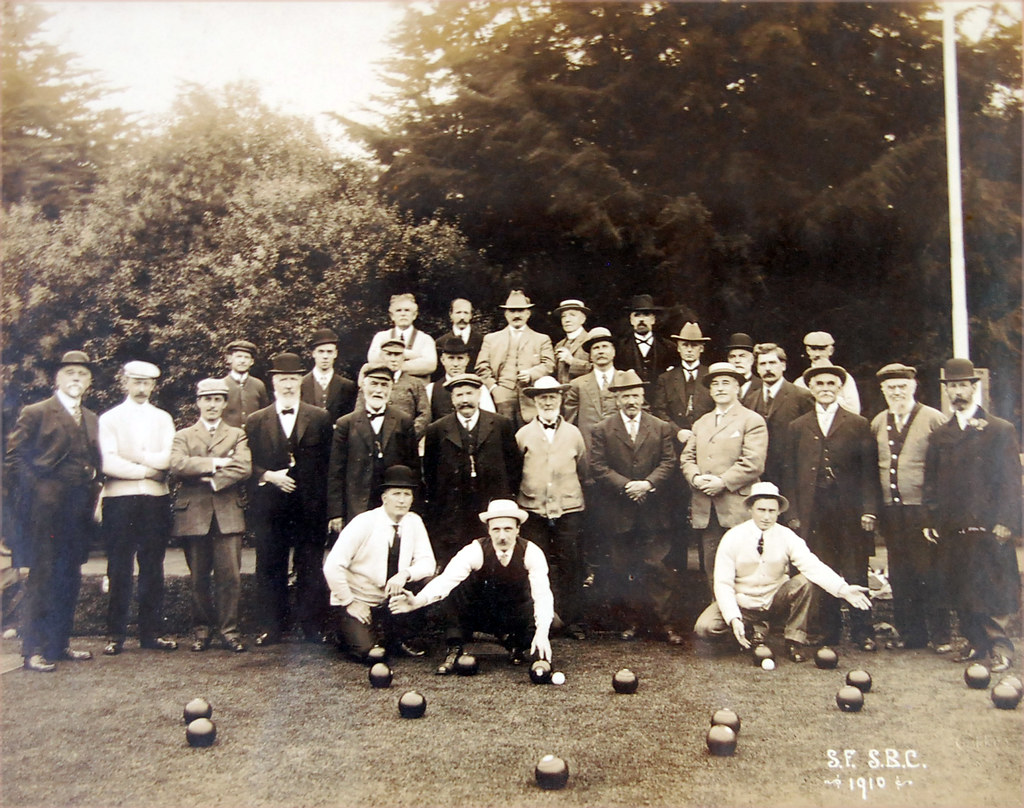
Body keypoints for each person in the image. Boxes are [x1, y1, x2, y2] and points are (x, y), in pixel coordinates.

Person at [694, 482, 872, 662]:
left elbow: (812, 565)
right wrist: (734, 618)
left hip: (775, 603)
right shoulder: (733, 537)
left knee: (805, 581)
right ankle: (747, 632)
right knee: (705, 628)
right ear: (750, 509)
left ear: (779, 512)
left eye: (772, 511)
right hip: (743, 604)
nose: (766, 516)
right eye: (761, 510)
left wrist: (843, 589)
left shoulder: (787, 536)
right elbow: (723, 583)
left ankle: (794, 641)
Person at [5, 351, 101, 672]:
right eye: (70, 373)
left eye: (82, 374)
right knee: (42, 578)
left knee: (69, 577)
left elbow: (92, 462)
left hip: (77, 512)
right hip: (44, 513)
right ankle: (32, 651)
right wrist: (39, 492)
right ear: (57, 378)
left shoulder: (91, 417)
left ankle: (59, 645)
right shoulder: (36, 412)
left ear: (89, 382)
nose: (76, 379)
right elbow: (14, 459)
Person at [924, 358, 1021, 673]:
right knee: (961, 587)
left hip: (990, 527)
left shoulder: (999, 429)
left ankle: (1000, 649)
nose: (957, 392)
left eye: (963, 385)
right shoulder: (941, 434)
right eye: (952, 386)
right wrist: (931, 519)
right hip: (954, 528)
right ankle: (975, 642)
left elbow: (1011, 482)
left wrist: (1007, 521)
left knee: (992, 589)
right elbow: (932, 482)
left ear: (974, 387)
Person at [389, 499, 554, 672]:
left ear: (518, 530)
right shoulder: (475, 550)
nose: (502, 536)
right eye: (496, 529)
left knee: (551, 623)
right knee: (453, 591)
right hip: (477, 611)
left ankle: (515, 645)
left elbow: (542, 594)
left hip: (512, 612)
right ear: (488, 530)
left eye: (508, 529)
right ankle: (455, 647)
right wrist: (416, 601)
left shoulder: (532, 552)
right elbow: (446, 580)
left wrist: (542, 633)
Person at [784, 365, 878, 650]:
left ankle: (864, 631)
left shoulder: (858, 423)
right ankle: (829, 631)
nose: (825, 388)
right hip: (814, 510)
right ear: (811, 389)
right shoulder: (798, 426)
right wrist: (793, 514)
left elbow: (869, 472)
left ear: (839, 388)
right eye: (819, 383)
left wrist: (869, 510)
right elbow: (789, 473)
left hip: (848, 510)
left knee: (855, 568)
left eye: (831, 383)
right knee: (822, 567)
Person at [589, 369, 685, 644]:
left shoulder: (660, 427)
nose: (631, 400)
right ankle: (630, 623)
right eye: (625, 395)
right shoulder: (602, 429)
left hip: (653, 511)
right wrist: (626, 485)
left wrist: (647, 484)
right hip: (619, 511)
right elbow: (598, 466)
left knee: (657, 568)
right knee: (623, 568)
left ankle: (666, 625)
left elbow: (669, 462)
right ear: (617, 399)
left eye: (635, 395)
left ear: (643, 397)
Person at [245, 353, 334, 645]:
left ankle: (312, 627)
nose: (287, 384)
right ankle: (272, 626)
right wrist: (269, 476)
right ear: (273, 382)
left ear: (300, 381)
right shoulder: (256, 420)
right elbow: (248, 464)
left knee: (310, 566)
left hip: (309, 508)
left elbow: (328, 465)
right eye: (282, 379)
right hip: (270, 507)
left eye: (293, 378)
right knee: (270, 565)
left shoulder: (319, 417)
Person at [98, 360, 178, 656]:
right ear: (126, 382)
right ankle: (115, 634)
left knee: (153, 567)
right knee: (119, 566)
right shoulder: (109, 419)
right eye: (137, 382)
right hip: (120, 500)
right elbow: (108, 462)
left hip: (155, 500)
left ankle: (150, 633)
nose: (142, 388)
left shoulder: (163, 418)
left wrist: (134, 459)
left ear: (154, 385)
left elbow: (169, 458)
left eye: (147, 383)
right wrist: (146, 467)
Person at [868, 363, 949, 652]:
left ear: (913, 387)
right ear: (883, 391)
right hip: (893, 511)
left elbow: (945, 467)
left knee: (930, 571)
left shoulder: (933, 418)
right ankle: (910, 635)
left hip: (923, 511)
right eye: (891, 388)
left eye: (902, 386)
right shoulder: (878, 421)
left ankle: (940, 635)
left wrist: (935, 511)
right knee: (900, 573)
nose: (897, 392)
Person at [170, 378, 252, 653]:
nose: (212, 405)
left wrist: (213, 479)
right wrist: (217, 462)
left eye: (218, 399)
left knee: (230, 578)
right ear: (198, 403)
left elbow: (243, 467)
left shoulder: (237, 434)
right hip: (194, 514)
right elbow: (178, 465)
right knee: (198, 578)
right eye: (207, 399)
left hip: (228, 512)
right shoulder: (183, 435)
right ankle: (201, 631)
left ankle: (230, 631)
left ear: (225, 403)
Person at [323, 465, 435, 662]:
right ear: (384, 497)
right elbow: (332, 566)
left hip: (390, 600)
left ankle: (401, 636)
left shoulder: (414, 521)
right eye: (396, 494)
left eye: (407, 494)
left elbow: (428, 563)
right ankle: (345, 632)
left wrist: (405, 574)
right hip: (359, 599)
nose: (402, 500)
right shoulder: (363, 523)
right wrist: (350, 602)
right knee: (370, 653)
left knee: (428, 581)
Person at [681, 362, 767, 591]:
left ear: (737, 387)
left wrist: (723, 482)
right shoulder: (702, 422)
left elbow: (753, 462)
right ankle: (719, 617)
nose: (720, 388)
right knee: (713, 567)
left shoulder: (752, 420)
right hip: (706, 508)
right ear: (709, 391)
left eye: (726, 383)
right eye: (715, 384)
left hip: (737, 507)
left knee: (745, 566)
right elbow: (686, 458)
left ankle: (750, 620)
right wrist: (695, 478)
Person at [515, 376, 588, 640]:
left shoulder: (574, 433)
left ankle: (572, 621)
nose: (548, 402)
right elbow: (515, 471)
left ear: (560, 400)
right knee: (537, 565)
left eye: (553, 397)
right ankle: (541, 619)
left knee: (571, 565)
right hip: (533, 511)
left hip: (568, 509)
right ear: (535, 401)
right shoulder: (523, 434)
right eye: (543, 397)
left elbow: (584, 468)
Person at [422, 373, 522, 565]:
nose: (465, 400)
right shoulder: (437, 429)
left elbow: (514, 467)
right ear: (452, 399)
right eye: (459, 395)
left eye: (469, 393)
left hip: (490, 506)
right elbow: (430, 473)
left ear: (479, 395)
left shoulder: (501, 425)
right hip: (454, 511)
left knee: (491, 558)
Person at [328, 365, 418, 533]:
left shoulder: (403, 421)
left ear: (391, 389)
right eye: (374, 384)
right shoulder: (346, 424)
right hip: (356, 503)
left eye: (384, 385)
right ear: (363, 386)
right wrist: (335, 513)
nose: (378, 390)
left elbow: (413, 467)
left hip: (392, 504)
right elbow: (336, 471)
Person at [475, 290, 555, 430]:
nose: (517, 315)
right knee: (503, 439)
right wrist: (494, 388)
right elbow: (481, 367)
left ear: (528, 313)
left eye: (521, 311)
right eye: (512, 311)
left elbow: (549, 365)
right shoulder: (491, 339)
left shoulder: (542, 339)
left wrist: (532, 374)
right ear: (506, 314)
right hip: (501, 399)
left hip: (531, 399)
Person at [751, 343, 814, 485]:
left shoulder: (802, 396)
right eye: (763, 364)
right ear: (757, 368)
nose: (768, 368)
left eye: (772, 363)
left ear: (783, 366)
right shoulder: (750, 399)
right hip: (759, 473)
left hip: (792, 472)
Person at [563, 328, 629, 451]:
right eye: (596, 348)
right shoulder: (577, 384)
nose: (601, 351)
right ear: (590, 356)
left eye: (605, 346)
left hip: (622, 448)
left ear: (614, 352)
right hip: (589, 448)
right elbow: (569, 422)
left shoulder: (626, 379)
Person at [651, 322, 714, 439]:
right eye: (685, 345)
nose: (689, 350)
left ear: (701, 348)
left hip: (707, 437)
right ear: (678, 348)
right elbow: (659, 411)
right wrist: (677, 431)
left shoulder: (711, 376)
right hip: (676, 440)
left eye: (694, 345)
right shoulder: (666, 378)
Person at [357, 338, 429, 439]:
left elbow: (425, 414)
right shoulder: (369, 382)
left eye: (397, 355)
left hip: (405, 441)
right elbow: (359, 412)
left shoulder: (415, 384)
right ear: (381, 356)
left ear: (403, 357)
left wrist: (410, 435)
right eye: (389, 354)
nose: (393, 359)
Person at [366, 293, 437, 380]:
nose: (403, 314)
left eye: (407, 310)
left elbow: (429, 365)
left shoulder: (425, 339)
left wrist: (391, 362)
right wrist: (415, 355)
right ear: (392, 316)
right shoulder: (381, 337)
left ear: (414, 315)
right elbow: (373, 360)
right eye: (398, 310)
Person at [425, 335, 494, 421]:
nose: (455, 364)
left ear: (467, 360)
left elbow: (490, 419)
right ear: (442, 360)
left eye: (460, 358)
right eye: (451, 358)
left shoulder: (479, 387)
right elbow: (426, 421)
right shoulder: (431, 389)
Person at [794, 331, 861, 414]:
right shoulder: (800, 382)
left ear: (831, 351)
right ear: (808, 351)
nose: (817, 354)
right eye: (813, 349)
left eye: (822, 349)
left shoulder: (844, 378)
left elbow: (854, 410)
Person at [615, 294, 675, 385]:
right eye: (637, 315)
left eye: (646, 314)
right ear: (631, 320)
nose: (641, 320)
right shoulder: (620, 347)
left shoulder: (668, 347)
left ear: (653, 320)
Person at [300, 328, 357, 423]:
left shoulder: (347, 386)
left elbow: (349, 421)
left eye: (329, 352)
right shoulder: (301, 384)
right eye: (321, 351)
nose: (325, 356)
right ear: (313, 353)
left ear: (335, 354)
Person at [219, 339, 270, 427]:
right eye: (239, 356)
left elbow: (265, 414)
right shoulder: (221, 385)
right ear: (230, 359)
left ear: (252, 362)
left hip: (253, 437)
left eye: (246, 357)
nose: (242, 361)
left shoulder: (259, 385)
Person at [435, 297, 483, 378]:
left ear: (471, 315)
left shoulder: (482, 341)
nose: (462, 317)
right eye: (458, 312)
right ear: (451, 314)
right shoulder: (440, 342)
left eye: (466, 313)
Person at [551, 299, 592, 384]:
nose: (567, 320)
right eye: (563, 316)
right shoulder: (559, 345)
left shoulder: (591, 340)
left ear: (583, 319)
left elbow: (601, 369)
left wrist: (572, 361)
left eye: (572, 315)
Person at [725, 333, 763, 410]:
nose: (737, 361)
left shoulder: (762, 386)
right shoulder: (722, 387)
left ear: (752, 360)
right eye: (732, 357)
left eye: (742, 356)